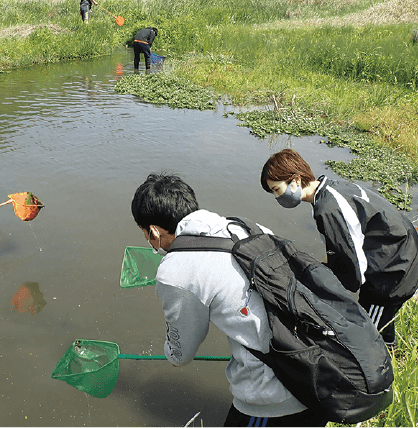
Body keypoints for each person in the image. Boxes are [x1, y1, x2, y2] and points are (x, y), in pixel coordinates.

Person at [131, 173, 327, 428]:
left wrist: (170, 346)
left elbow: (180, 355)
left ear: (154, 231)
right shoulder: (244, 227)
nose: (149, 241)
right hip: (321, 369)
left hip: (277, 397)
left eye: (146, 234)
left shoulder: (174, 270)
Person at [260, 149, 418, 349]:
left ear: (295, 180)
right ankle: (393, 352)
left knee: (370, 338)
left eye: (277, 189)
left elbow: (351, 271)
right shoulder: (330, 188)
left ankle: (387, 367)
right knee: (380, 323)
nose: (277, 197)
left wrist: (317, 283)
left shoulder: (328, 209)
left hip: (393, 274)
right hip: (404, 252)